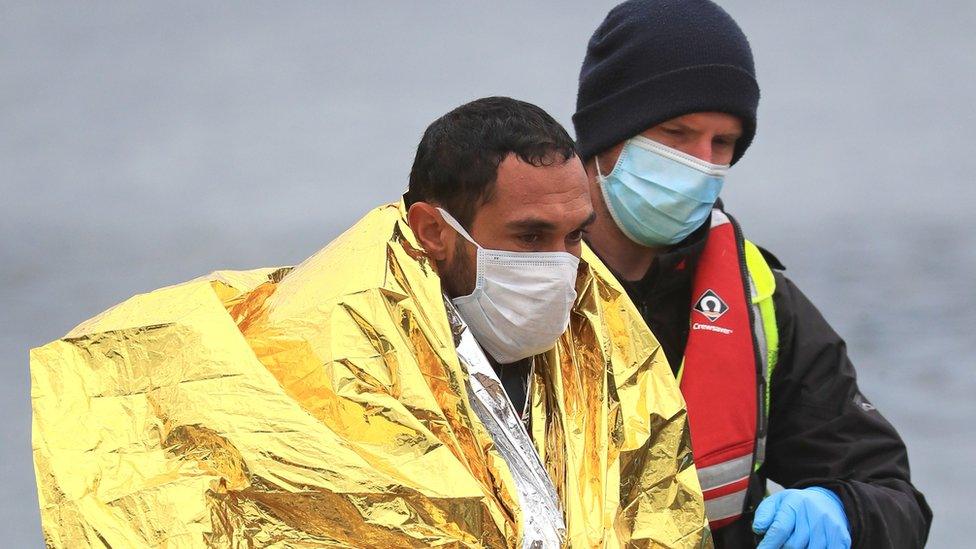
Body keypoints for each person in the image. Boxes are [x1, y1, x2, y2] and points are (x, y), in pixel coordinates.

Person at [30, 97, 710, 547]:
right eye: (529, 237)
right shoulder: (329, 356)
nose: (563, 266)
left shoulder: (605, 341)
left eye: (572, 235)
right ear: (432, 232)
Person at [571, 1, 933, 548]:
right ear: (605, 135)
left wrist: (844, 511)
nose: (701, 164)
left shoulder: (760, 298)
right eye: (676, 133)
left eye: (723, 143)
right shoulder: (510, 279)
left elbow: (895, 497)